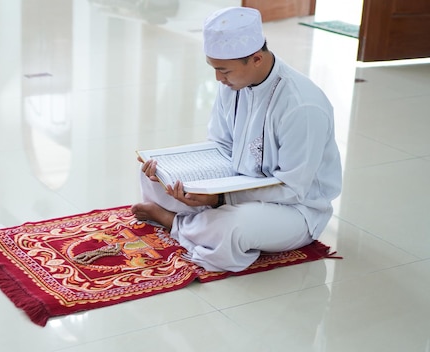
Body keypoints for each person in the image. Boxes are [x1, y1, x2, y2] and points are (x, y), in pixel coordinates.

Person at [130, 7, 342, 272]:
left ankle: (174, 222)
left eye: (224, 70)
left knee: (234, 227)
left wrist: (220, 200)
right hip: (234, 187)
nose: (218, 78)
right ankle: (198, 222)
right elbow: (220, 146)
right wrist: (181, 175)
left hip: (295, 210)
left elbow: (292, 189)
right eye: (214, 68)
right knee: (152, 176)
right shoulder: (233, 84)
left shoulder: (302, 107)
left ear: (255, 59)